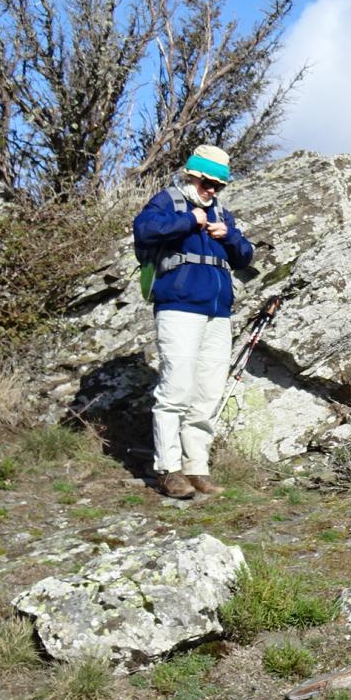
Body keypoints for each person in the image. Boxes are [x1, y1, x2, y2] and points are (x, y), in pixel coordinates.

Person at [132, 145, 255, 500]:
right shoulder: (168, 202)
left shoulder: (222, 214)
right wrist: (190, 222)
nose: (212, 190)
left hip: (218, 312)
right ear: (191, 175)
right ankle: (168, 470)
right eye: (206, 182)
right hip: (179, 307)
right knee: (176, 390)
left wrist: (227, 235)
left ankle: (196, 467)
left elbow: (246, 255)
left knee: (207, 392)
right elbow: (144, 232)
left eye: (218, 185)